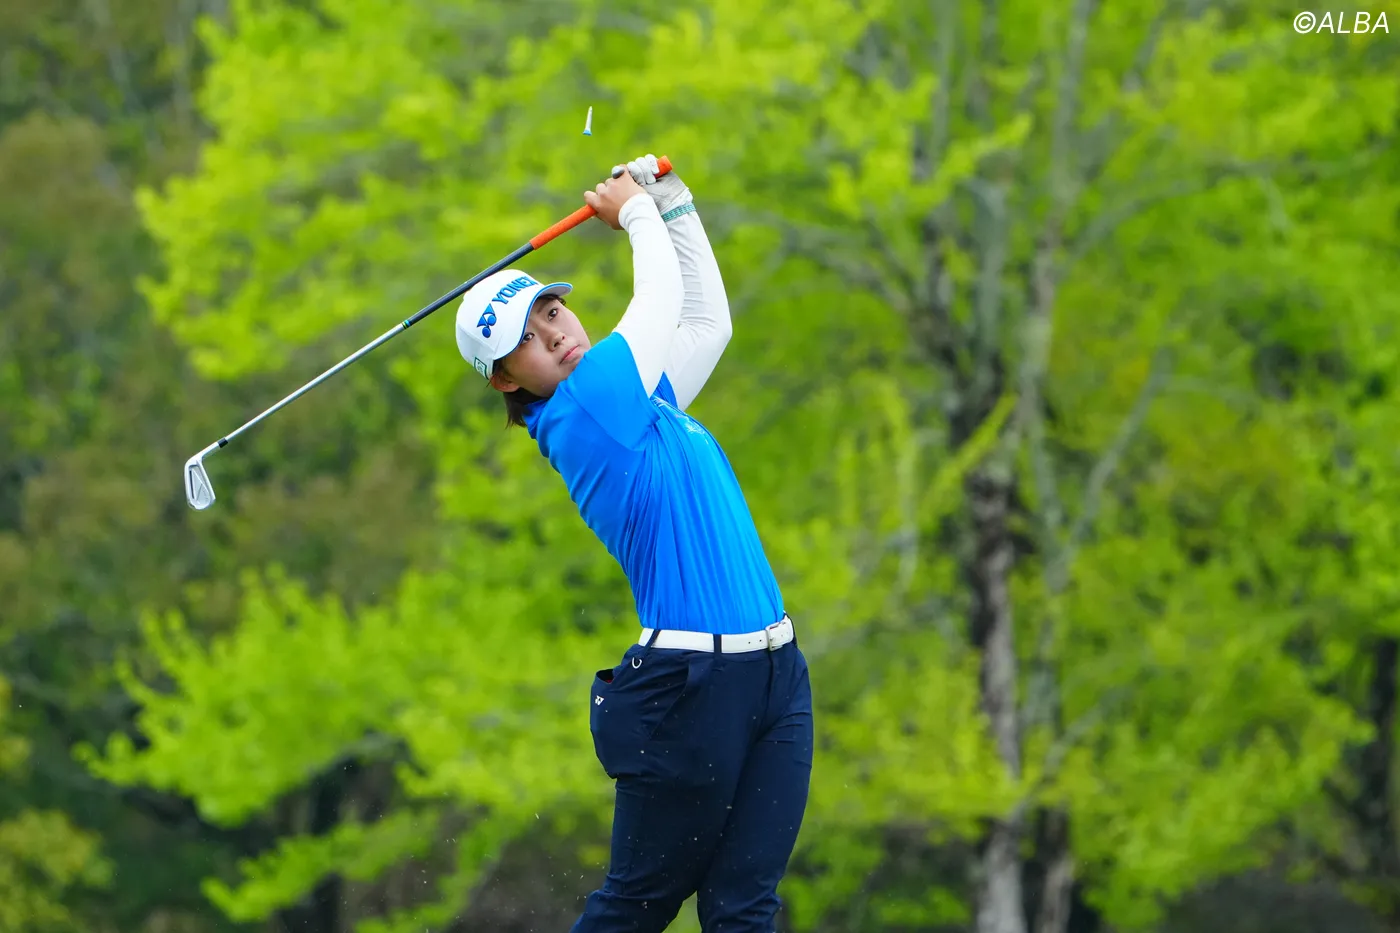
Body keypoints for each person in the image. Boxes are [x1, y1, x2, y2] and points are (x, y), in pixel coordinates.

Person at [453, 155, 813, 931]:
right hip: (690, 688)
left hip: (776, 674)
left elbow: (707, 325)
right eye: (527, 340)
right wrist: (636, 214)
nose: (555, 334)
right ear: (506, 380)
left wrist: (674, 204)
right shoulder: (584, 411)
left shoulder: (642, 399)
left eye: (551, 312)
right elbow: (657, 304)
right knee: (637, 905)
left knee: (745, 904)